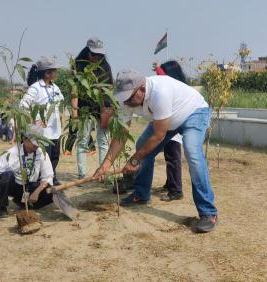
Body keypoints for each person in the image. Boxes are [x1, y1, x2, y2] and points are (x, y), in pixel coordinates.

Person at [93, 70, 218, 233]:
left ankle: (208, 213)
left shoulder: (160, 92)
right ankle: (141, 194)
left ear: (142, 88)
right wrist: (105, 165)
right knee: (142, 146)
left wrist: (134, 160)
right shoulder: (127, 100)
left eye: (130, 98)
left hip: (194, 112)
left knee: (192, 154)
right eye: (124, 98)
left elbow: (159, 135)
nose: (127, 103)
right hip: (166, 119)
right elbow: (121, 135)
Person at [0, 132, 56, 217]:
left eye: (38, 143)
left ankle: (30, 204)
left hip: (32, 187)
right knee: (5, 176)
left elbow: (48, 176)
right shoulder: (11, 154)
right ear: (24, 139)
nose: (36, 145)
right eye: (34, 142)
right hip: (16, 187)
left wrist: (37, 192)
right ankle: (2, 206)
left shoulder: (41, 153)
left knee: (55, 188)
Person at [70, 37, 113, 180]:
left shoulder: (105, 66)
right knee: (82, 142)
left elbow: (109, 90)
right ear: (87, 52)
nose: (97, 57)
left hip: (102, 109)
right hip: (85, 111)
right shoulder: (78, 65)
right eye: (94, 54)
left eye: (100, 55)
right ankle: (81, 175)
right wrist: (74, 112)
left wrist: (108, 112)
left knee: (103, 142)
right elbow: (74, 90)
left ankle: (102, 174)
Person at [21, 56, 64, 185]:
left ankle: (52, 177)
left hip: (55, 130)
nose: (56, 73)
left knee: (55, 156)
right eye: (54, 70)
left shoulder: (55, 88)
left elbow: (60, 102)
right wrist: (33, 122)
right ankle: (43, 180)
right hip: (42, 132)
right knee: (45, 157)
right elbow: (23, 106)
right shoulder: (35, 88)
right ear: (47, 73)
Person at [154, 61, 187, 201]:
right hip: (169, 127)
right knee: (170, 158)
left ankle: (176, 190)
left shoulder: (174, 86)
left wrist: (158, 69)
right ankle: (170, 184)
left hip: (173, 129)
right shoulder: (177, 85)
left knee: (173, 159)